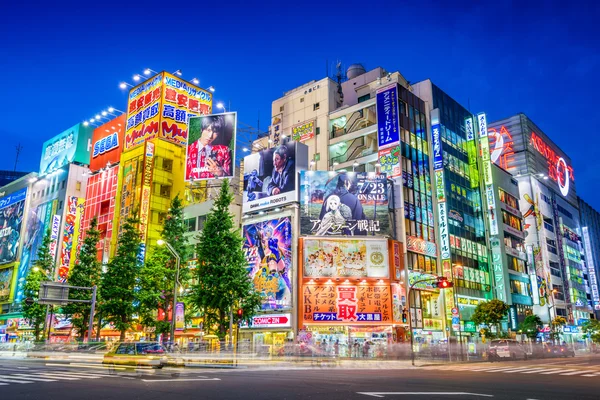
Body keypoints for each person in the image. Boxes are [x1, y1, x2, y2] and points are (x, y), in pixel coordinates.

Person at [186, 115, 232, 180]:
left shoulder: (224, 151)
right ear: (202, 129)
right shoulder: (188, 150)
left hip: (213, 188)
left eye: (215, 132)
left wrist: (221, 173)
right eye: (208, 130)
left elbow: (229, 180)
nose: (210, 136)